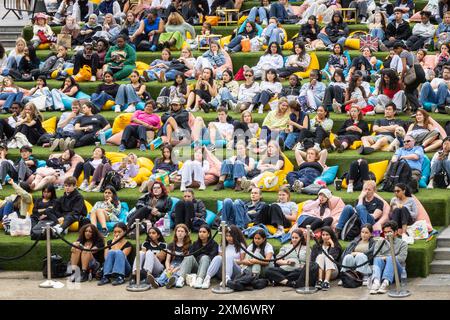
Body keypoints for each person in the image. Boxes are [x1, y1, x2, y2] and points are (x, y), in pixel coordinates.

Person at [148, 224, 192, 288]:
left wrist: (175, 269)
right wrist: (168, 268)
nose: (180, 233)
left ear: (185, 233)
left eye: (182, 231)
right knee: (165, 273)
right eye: (178, 231)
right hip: (173, 264)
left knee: (176, 274)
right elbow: (167, 260)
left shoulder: (189, 245)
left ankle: (170, 282)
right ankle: (158, 283)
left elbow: (186, 261)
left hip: (182, 265)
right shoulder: (171, 245)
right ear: (175, 233)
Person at [370, 220, 408, 294]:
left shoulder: (403, 243)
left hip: (398, 272)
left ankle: (385, 284)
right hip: (383, 270)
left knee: (391, 258)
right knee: (377, 259)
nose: (387, 234)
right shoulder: (380, 242)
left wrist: (387, 258)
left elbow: (402, 258)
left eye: (389, 232)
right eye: (385, 232)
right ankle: (376, 282)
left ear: (396, 232)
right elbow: (376, 255)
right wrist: (385, 258)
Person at [393, 41, 426, 112]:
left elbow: (404, 68)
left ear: (399, 48)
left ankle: (419, 108)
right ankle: (414, 109)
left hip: (416, 72)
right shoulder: (410, 52)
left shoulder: (403, 53)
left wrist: (401, 78)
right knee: (412, 89)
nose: (396, 53)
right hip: (420, 71)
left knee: (407, 91)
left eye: (396, 51)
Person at [311, 226, 342, 290]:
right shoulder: (316, 246)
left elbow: (334, 258)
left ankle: (326, 282)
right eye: (323, 235)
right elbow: (313, 260)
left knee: (329, 256)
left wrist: (332, 245)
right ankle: (319, 281)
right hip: (319, 272)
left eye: (327, 235)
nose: (325, 237)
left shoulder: (336, 246)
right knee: (320, 256)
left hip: (332, 272)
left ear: (331, 235)